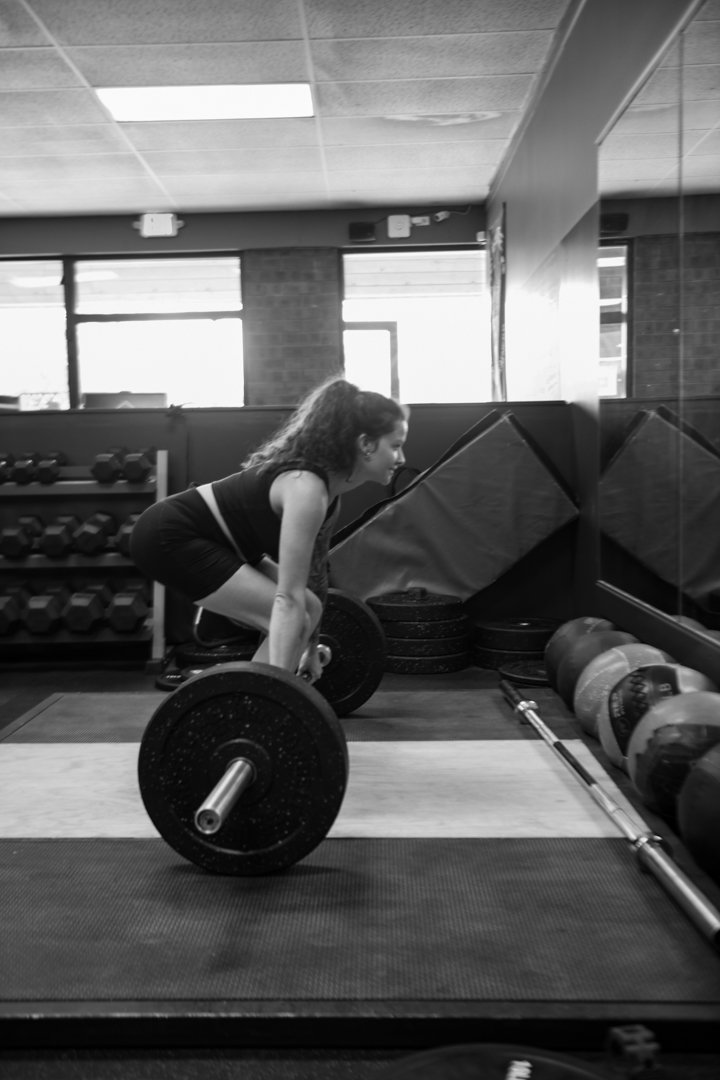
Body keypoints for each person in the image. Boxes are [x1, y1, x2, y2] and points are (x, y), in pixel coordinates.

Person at [130, 376, 409, 683]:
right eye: (395, 447)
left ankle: (254, 699)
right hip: (170, 535)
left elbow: (315, 579)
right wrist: (284, 692)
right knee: (294, 614)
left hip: (219, 543)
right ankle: (261, 700)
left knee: (311, 608)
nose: (401, 459)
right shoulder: (306, 488)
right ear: (366, 445)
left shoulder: (328, 495)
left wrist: (311, 649)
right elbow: (287, 600)